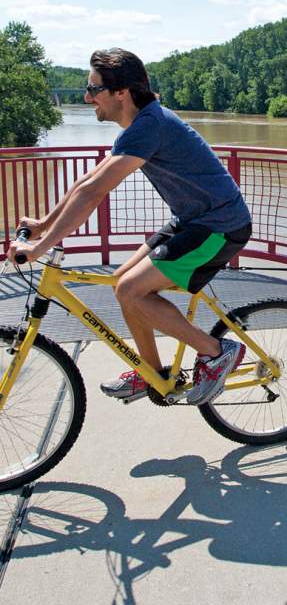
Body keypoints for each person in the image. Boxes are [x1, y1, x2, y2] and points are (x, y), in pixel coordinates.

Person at [7, 48, 252, 406]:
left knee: (131, 290)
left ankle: (217, 352)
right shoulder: (141, 124)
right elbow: (89, 180)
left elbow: (94, 193)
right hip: (193, 219)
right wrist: (44, 225)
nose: (88, 97)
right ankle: (153, 372)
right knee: (121, 281)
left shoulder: (149, 126)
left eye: (94, 89)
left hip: (219, 226)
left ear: (121, 92)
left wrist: (39, 249)